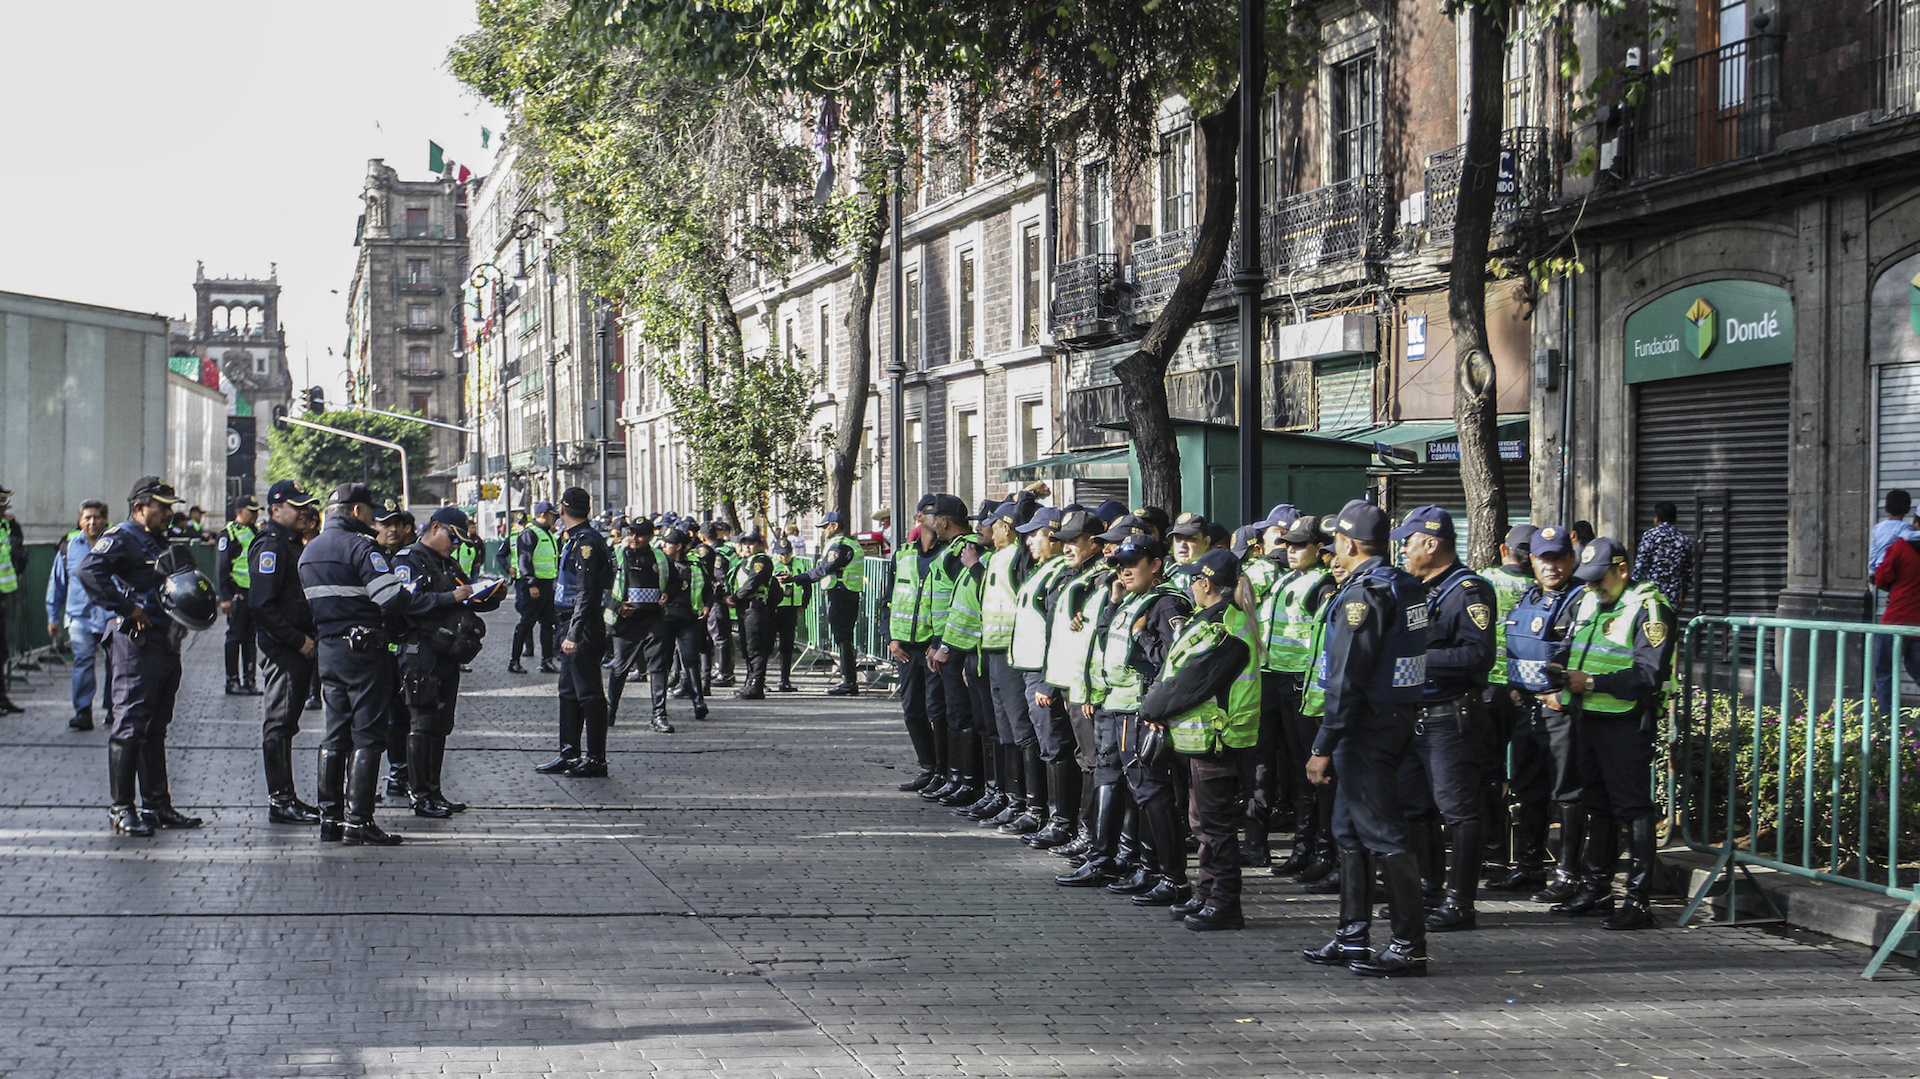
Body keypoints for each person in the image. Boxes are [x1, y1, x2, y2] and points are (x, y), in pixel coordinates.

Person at [1302, 499, 1431, 977]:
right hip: (1391, 718)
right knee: (1349, 830)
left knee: (1382, 832)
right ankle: (1351, 936)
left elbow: (1346, 676)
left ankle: (1407, 945)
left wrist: (1323, 744)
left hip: (1367, 726)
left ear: (1350, 543)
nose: (1334, 545)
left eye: (1337, 537)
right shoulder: (1402, 586)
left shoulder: (1365, 594)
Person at [300, 483, 466, 846]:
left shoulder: (310, 550)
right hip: (363, 651)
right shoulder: (361, 547)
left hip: (328, 650)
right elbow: (390, 599)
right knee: (368, 735)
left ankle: (330, 818)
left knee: (334, 734)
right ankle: (358, 820)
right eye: (370, 512)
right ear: (357, 512)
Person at [1545, 536, 1676, 931]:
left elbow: (1648, 674)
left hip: (1625, 720)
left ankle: (1638, 899)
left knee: (1631, 807)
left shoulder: (1650, 608)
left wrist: (1592, 683)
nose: (1590, 586)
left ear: (1622, 570)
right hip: (1586, 716)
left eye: (1599, 578)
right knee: (1596, 804)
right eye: (1586, 578)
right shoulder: (1588, 599)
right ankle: (1597, 887)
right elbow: (1571, 645)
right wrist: (1556, 673)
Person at [1139, 548, 1262, 930]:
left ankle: (1224, 903)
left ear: (1205, 584)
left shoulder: (1223, 627)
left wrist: (1152, 709)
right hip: (1204, 739)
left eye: (1193, 579)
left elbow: (1189, 683)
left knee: (1215, 826)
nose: (1190, 585)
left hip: (1218, 738)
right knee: (1202, 822)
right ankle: (1207, 894)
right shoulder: (1211, 619)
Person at [77, 476, 205, 837]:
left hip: (164, 640)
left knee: (155, 726)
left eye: (170, 506)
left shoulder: (157, 540)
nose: (169, 512)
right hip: (136, 642)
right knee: (131, 724)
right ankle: (121, 808)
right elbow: (89, 570)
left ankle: (156, 805)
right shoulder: (122, 537)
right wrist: (127, 607)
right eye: (162, 506)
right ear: (139, 508)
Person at [1389, 506, 1497, 933]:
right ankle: (1427, 891)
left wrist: (1416, 659)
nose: (1402, 549)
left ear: (1431, 544)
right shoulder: (1419, 588)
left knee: (1458, 810)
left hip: (1449, 716)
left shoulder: (1466, 591)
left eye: (1409, 541)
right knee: (1415, 809)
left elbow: (1477, 654)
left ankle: (1460, 901)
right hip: (1414, 716)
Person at [1072, 536, 1190, 898]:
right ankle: (1115, 860)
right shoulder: (1130, 599)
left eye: (1132, 564)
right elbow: (1108, 642)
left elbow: (1173, 658)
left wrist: (1156, 707)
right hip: (1115, 703)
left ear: (1155, 565)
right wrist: (1112, 603)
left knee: (1150, 791)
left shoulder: (1165, 602)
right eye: (1120, 565)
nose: (1123, 571)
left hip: (1141, 710)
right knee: (1117, 780)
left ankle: (1168, 875)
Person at [1496, 524, 1590, 902]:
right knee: (1527, 787)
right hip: (1527, 708)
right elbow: (1518, 648)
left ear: (1571, 558)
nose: (1551, 566)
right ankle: (1529, 866)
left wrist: (1558, 692)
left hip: (1561, 709)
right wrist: (1516, 688)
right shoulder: (1529, 597)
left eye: (1558, 558)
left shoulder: (1582, 599)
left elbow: (1578, 652)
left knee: (1567, 792)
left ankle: (1568, 874)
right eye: (1543, 559)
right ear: (1531, 560)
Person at [393, 507, 504, 817]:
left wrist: (490, 595)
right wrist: (448, 598)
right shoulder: (407, 560)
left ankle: (434, 790)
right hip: (420, 651)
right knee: (422, 723)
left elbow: (466, 597)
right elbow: (403, 603)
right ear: (436, 527)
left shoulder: (448, 562)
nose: (455, 546)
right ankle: (420, 794)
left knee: (441, 724)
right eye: (452, 539)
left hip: (447, 650)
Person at [1258, 513, 1338, 880]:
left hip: (1302, 688)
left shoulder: (1322, 585)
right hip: (1277, 682)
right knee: (1296, 771)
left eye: (1299, 546)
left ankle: (1323, 851)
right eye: (1287, 545)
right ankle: (1303, 848)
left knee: (1315, 774)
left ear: (1319, 549)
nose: (1290, 551)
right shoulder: (1286, 579)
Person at [248, 481, 322, 824]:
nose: (304, 511)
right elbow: (262, 605)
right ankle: (281, 800)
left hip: (296, 644)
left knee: (286, 724)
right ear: (276, 510)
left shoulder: (290, 544)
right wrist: (298, 640)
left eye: (306, 505)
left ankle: (286, 797)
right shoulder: (271, 546)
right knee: (279, 725)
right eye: (297, 506)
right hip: (285, 649)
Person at [535, 488, 615, 777]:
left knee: (589, 693)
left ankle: (596, 758)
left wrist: (574, 633)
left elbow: (586, 593)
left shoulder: (586, 543)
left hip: (582, 626)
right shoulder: (575, 539)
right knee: (568, 692)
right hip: (570, 622)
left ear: (563, 510)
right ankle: (568, 753)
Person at [1478, 524, 1537, 891]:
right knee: (1531, 779)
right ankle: (1530, 859)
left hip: (1489, 691)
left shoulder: (1483, 581)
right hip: (1528, 692)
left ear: (1504, 550)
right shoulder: (1542, 588)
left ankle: (1494, 856)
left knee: (1489, 777)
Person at [886, 502, 947, 792]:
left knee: (937, 709)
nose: (938, 518)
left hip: (932, 646)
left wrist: (938, 642)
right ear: (919, 516)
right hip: (905, 648)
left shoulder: (949, 554)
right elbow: (888, 599)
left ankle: (944, 771)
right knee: (912, 709)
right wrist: (890, 637)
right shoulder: (903, 555)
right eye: (932, 512)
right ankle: (928, 766)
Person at [606, 517, 682, 732]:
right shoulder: (616, 556)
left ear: (650, 536)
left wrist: (669, 594)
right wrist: (617, 606)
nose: (634, 538)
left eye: (639, 534)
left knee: (658, 668)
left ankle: (659, 715)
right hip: (625, 622)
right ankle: (610, 712)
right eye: (631, 533)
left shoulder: (659, 558)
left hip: (653, 619)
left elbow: (676, 581)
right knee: (619, 668)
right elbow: (602, 585)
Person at [45, 500, 113, 730]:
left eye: (96, 517)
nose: (92, 522)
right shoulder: (70, 547)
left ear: (105, 519)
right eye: (87, 517)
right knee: (83, 662)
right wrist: (53, 616)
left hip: (112, 616)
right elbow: (57, 583)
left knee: (116, 663)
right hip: (80, 617)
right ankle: (83, 712)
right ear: (79, 520)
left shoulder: (116, 544)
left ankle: (114, 708)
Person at [790, 512, 864, 695]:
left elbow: (824, 569)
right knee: (843, 637)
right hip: (845, 592)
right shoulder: (849, 542)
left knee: (843, 637)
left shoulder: (840, 545)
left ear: (835, 526)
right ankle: (848, 680)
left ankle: (849, 682)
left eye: (825, 527)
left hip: (841, 593)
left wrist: (798, 578)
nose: (823, 531)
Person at [217, 495, 264, 696]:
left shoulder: (258, 532)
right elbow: (221, 567)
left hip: (254, 594)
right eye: (250, 511)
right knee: (235, 636)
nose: (254, 514)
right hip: (238, 594)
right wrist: (225, 597)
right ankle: (232, 681)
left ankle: (249, 681)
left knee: (249, 638)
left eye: (256, 511)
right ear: (239, 512)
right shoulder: (228, 533)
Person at [510, 501, 561, 674]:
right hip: (533, 586)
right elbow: (524, 561)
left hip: (547, 584)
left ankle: (546, 661)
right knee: (526, 623)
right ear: (543, 515)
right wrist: (531, 583)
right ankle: (514, 661)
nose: (555, 519)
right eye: (552, 515)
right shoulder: (530, 534)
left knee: (548, 624)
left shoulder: (549, 534)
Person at [725, 530, 777, 699]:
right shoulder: (744, 562)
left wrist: (734, 597)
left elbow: (753, 583)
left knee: (756, 647)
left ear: (760, 545)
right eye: (744, 543)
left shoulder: (761, 561)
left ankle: (756, 684)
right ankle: (750, 681)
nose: (747, 547)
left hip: (755, 607)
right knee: (746, 647)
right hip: (744, 608)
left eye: (751, 543)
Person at [1632, 502, 1693, 612]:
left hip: (1649, 596)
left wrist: (1632, 590)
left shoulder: (1650, 536)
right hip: (1672, 599)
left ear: (1657, 518)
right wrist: (1682, 597)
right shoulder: (1684, 541)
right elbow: (1687, 575)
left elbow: (1640, 567)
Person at [769, 538, 810, 692]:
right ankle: (760, 679)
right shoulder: (771, 564)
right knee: (767, 646)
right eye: (780, 554)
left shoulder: (798, 564)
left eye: (786, 554)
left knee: (787, 646)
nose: (783, 558)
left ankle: (784, 680)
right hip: (774, 609)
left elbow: (807, 584)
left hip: (790, 610)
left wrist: (804, 604)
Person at [0, 485, 24, 715]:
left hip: (4, 595)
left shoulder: (5, 525)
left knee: (3, 651)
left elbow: (17, 547)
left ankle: (2, 697)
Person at [1870, 490, 1917, 577]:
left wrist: (1872, 571)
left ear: (1885, 508)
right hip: (1893, 567)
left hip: (1879, 567)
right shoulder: (1904, 526)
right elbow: (1908, 536)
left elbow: (1874, 550)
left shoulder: (1878, 527)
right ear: (1908, 510)